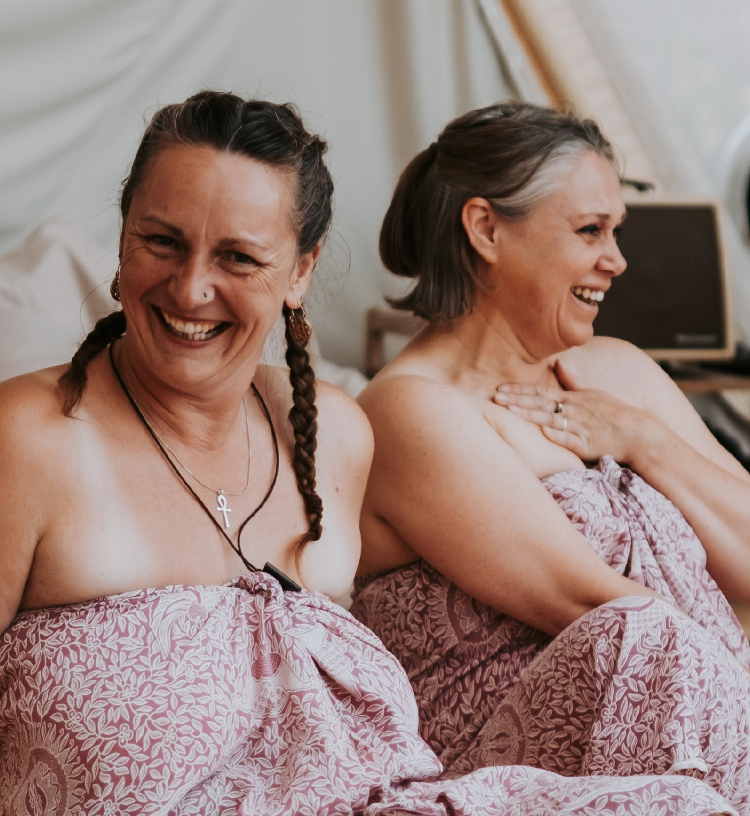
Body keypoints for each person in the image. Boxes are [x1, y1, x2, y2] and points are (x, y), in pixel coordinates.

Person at [0, 91, 730, 815]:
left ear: (300, 273)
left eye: (239, 256)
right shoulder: (31, 438)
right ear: (123, 237)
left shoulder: (331, 435)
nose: (192, 287)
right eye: (161, 241)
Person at [351, 101, 750, 811]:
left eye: (615, 231)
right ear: (485, 230)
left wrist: (644, 442)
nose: (617, 260)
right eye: (589, 230)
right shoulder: (408, 410)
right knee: (646, 637)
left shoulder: (618, 371)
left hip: (702, 725)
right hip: (524, 767)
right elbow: (595, 607)